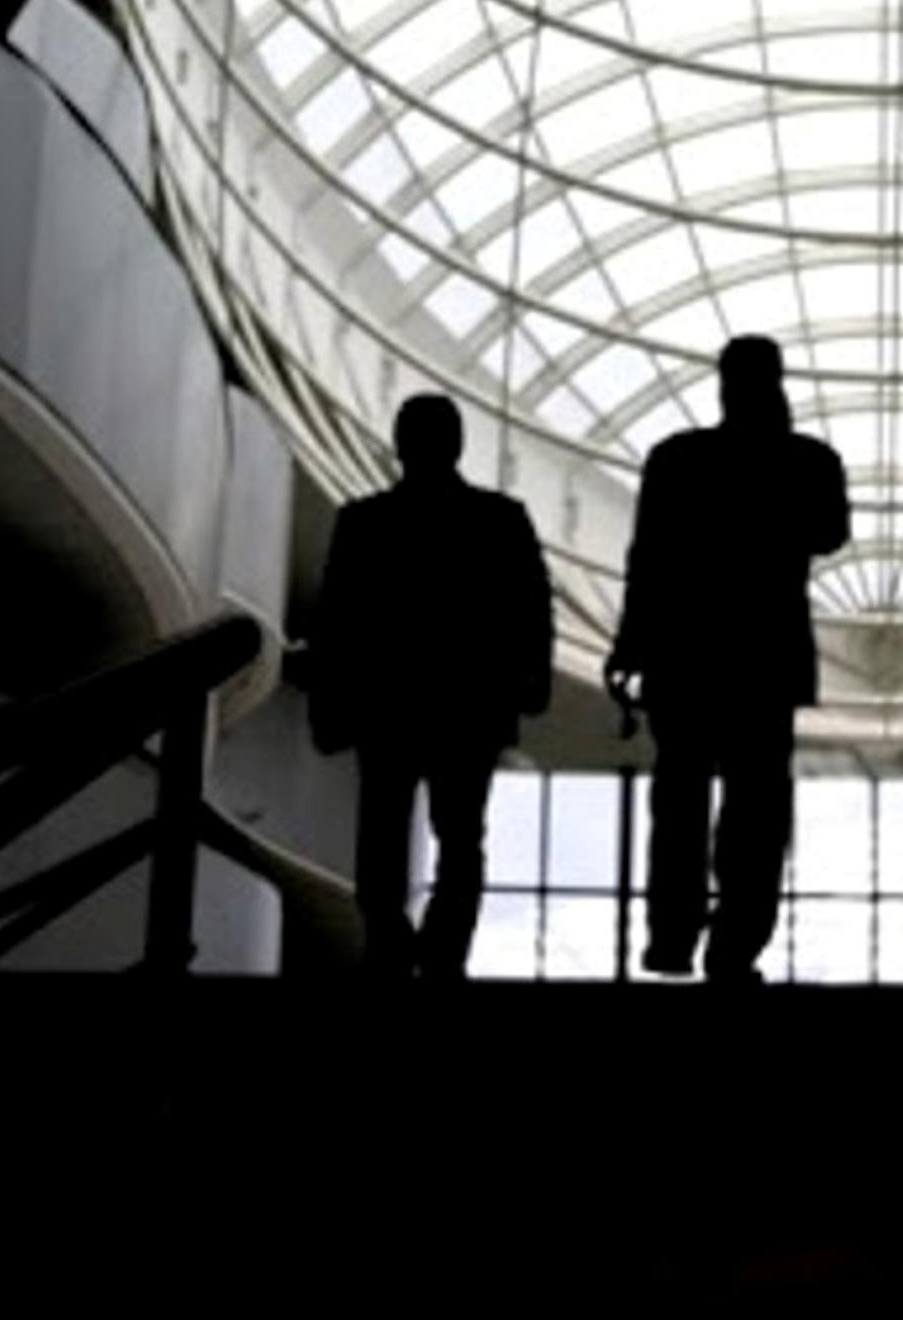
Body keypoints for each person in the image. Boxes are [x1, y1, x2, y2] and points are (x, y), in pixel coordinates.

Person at [605, 336, 850, 983]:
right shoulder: (808, 460)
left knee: (681, 804)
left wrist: (631, 644)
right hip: (765, 659)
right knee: (756, 812)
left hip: (685, 657)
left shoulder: (676, 459)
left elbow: (646, 561)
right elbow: (829, 531)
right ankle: (733, 945)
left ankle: (674, 938)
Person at [302, 391, 553, 981]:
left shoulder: (363, 522)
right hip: (470, 706)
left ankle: (392, 945)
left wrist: (328, 702)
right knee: (461, 837)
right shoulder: (501, 518)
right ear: (458, 444)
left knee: (384, 832)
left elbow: (336, 621)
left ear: (399, 445)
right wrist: (530, 679)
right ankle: (442, 956)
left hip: (388, 704)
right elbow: (532, 608)